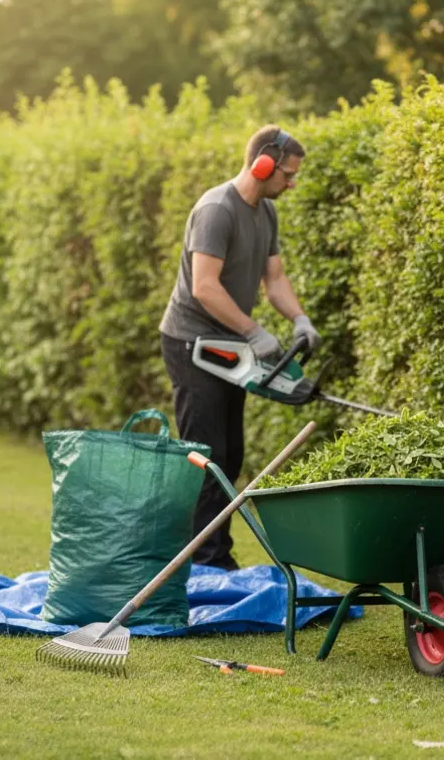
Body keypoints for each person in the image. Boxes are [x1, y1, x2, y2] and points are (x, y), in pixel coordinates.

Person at [158, 125, 321, 570]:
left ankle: (211, 554)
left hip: (227, 344)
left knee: (230, 454)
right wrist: (253, 331)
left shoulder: (265, 213)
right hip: (191, 342)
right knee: (206, 455)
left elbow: (275, 279)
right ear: (262, 164)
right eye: (287, 174)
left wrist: (299, 319)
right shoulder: (216, 210)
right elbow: (205, 289)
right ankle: (205, 561)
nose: (292, 183)